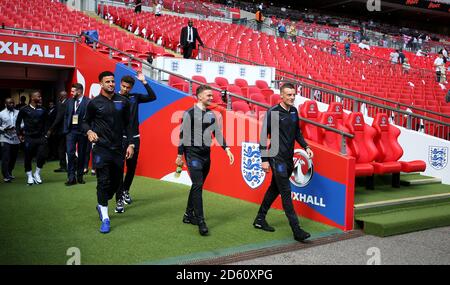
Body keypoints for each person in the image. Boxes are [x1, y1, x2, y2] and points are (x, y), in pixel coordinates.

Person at [253, 83, 314, 242]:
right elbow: (262, 137)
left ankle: (260, 219)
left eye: (294, 94)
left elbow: (297, 133)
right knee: (286, 192)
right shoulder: (273, 112)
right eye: (289, 95)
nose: (292, 97)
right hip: (276, 157)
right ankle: (296, 230)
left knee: (274, 189)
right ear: (281, 96)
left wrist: (306, 146)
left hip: (288, 159)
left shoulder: (294, 111)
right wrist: (264, 159)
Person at [176, 85, 234, 236]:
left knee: (197, 186)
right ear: (199, 96)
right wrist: (179, 156)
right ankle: (201, 221)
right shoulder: (189, 113)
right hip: (192, 155)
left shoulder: (211, 114)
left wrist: (227, 149)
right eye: (208, 95)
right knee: (198, 185)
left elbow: (217, 133)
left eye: (211, 95)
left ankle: (188, 215)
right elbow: (182, 136)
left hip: (206, 156)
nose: (211, 98)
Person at [82, 71, 135, 234]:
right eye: (108, 82)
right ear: (101, 84)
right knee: (103, 181)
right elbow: (84, 121)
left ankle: (102, 202)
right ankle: (105, 217)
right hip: (101, 148)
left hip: (118, 149)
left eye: (113, 81)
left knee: (115, 183)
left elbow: (129, 125)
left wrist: (131, 143)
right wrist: (89, 131)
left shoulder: (123, 101)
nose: (111, 84)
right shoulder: (94, 103)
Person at [116, 72, 156, 212]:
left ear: (132, 88)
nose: (125, 89)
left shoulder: (135, 97)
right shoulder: (114, 98)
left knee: (131, 168)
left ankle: (126, 190)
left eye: (128, 87)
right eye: (123, 86)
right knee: (119, 169)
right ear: (120, 84)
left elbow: (153, 97)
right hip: (120, 138)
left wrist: (144, 82)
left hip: (135, 137)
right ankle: (119, 196)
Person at [15, 91, 49, 185]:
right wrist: (19, 134)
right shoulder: (24, 109)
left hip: (41, 137)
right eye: (39, 96)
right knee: (28, 157)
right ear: (32, 98)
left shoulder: (43, 109)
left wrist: (46, 134)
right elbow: (18, 123)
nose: (40, 97)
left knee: (42, 155)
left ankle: (37, 173)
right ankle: (29, 175)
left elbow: (47, 122)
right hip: (29, 137)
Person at [64, 83, 90, 186]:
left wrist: (89, 131)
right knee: (70, 153)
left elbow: (91, 118)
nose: (71, 93)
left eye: (73, 91)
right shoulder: (70, 101)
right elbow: (66, 115)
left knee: (82, 154)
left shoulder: (88, 102)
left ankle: (79, 176)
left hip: (83, 132)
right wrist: (66, 129)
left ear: (79, 91)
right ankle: (71, 177)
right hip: (71, 132)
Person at [0, 98, 20, 183]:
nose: (11, 104)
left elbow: (22, 123)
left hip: (15, 138)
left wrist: (17, 127)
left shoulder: (18, 112)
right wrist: (4, 129)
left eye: (12, 103)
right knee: (6, 157)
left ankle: (10, 172)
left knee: (13, 157)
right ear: (5, 104)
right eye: (9, 103)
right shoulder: (1, 113)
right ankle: (6, 176)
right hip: (5, 138)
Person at [49, 91, 68, 173]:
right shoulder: (70, 103)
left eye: (59, 96)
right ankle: (72, 165)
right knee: (68, 149)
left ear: (61, 96)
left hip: (62, 130)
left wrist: (51, 128)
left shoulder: (63, 105)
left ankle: (63, 166)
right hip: (68, 130)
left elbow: (58, 118)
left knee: (61, 149)